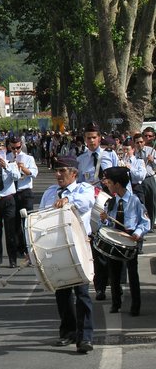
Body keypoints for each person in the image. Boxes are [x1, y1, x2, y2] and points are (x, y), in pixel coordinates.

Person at [39, 156, 95, 354]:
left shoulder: (84, 189)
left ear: (74, 174)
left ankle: (85, 337)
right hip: (56, 246)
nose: (58, 175)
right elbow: (40, 217)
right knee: (62, 292)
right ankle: (68, 332)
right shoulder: (50, 192)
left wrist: (67, 199)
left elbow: (87, 203)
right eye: (57, 170)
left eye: (62, 171)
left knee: (82, 293)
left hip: (79, 245)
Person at [77, 122, 120, 300]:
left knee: (113, 244)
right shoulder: (81, 160)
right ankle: (100, 286)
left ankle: (116, 282)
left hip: (111, 204)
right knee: (97, 247)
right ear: (85, 139)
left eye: (94, 137)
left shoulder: (110, 156)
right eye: (88, 138)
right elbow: (78, 185)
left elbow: (121, 180)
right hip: (92, 208)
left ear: (99, 138)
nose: (91, 141)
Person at [99, 166, 150, 316]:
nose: (106, 185)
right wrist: (104, 220)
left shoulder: (135, 201)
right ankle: (116, 303)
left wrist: (138, 233)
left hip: (130, 238)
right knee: (113, 274)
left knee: (132, 273)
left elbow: (145, 221)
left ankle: (135, 305)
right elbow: (107, 225)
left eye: (109, 182)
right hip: (115, 237)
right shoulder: (111, 202)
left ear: (118, 184)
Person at [0, 139, 21, 272]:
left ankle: (12, 259)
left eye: (0, 150)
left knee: (10, 231)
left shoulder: (11, 163)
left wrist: (6, 167)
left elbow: (17, 176)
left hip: (8, 199)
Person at [9, 136, 39, 259]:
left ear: (21, 145)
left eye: (18, 147)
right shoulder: (6, 158)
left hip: (25, 192)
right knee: (14, 222)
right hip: (13, 192)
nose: (16, 151)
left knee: (27, 221)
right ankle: (19, 249)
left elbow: (34, 174)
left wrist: (23, 168)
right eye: (13, 148)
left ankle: (30, 248)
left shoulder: (28, 158)